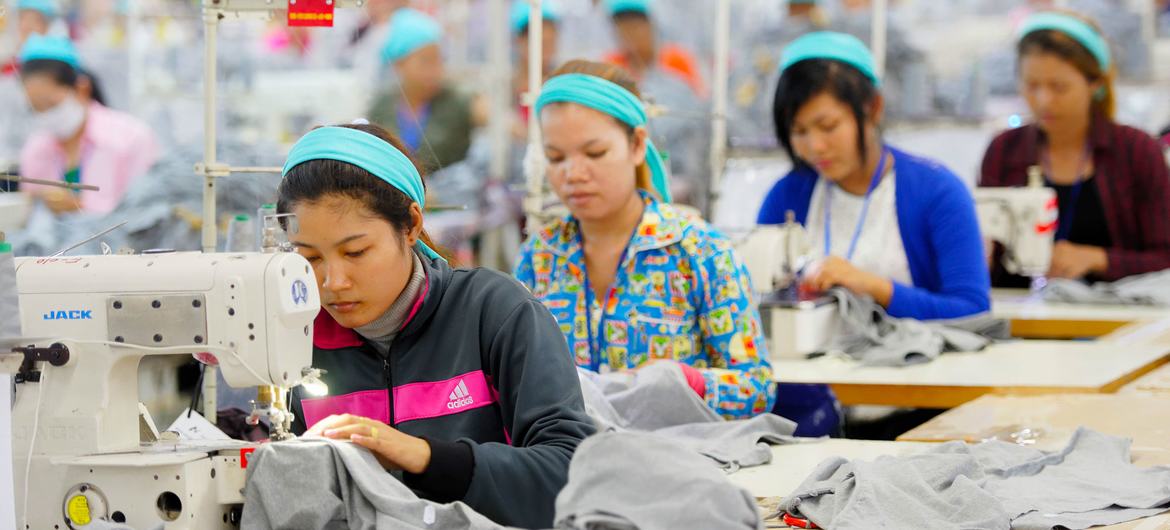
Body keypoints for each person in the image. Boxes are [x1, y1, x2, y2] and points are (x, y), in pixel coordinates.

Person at [281, 123, 594, 528]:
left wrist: (426, 458)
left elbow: (570, 470)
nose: (332, 282)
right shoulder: (294, 339)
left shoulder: (493, 314)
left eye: (355, 252)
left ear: (411, 225)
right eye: (310, 257)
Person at [514, 60, 775, 420]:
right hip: (571, 466)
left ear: (637, 145)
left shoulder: (699, 252)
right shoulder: (539, 259)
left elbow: (757, 388)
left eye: (594, 153)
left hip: (678, 462)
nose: (573, 174)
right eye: (556, 157)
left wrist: (686, 383)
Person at [756, 32, 989, 436]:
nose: (815, 146)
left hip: (917, 418)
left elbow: (973, 312)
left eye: (828, 125)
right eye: (799, 131)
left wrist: (875, 287)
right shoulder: (788, 195)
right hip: (805, 418)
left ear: (873, 108)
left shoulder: (935, 192)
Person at [981, 12, 1170, 284]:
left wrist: (1097, 259)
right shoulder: (1004, 151)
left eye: (1059, 87)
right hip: (1018, 313)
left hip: (1115, 315)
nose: (1043, 100)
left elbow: (1164, 257)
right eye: (1031, 85)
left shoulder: (1137, 152)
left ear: (1095, 84)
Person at [18, 35, 159, 215]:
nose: (45, 115)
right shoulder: (36, 149)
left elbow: (148, 214)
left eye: (51, 105)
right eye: (36, 108)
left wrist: (82, 206)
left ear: (82, 88)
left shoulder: (131, 139)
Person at [368, 8, 475, 172]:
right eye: (426, 61)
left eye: (439, 61)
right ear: (399, 63)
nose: (435, 70)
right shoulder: (381, 106)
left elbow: (497, 119)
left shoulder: (458, 100)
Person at [602, 0, 706, 99]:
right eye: (622, 27)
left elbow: (698, 103)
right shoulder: (611, 65)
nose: (629, 33)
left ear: (652, 25)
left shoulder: (678, 61)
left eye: (636, 26)